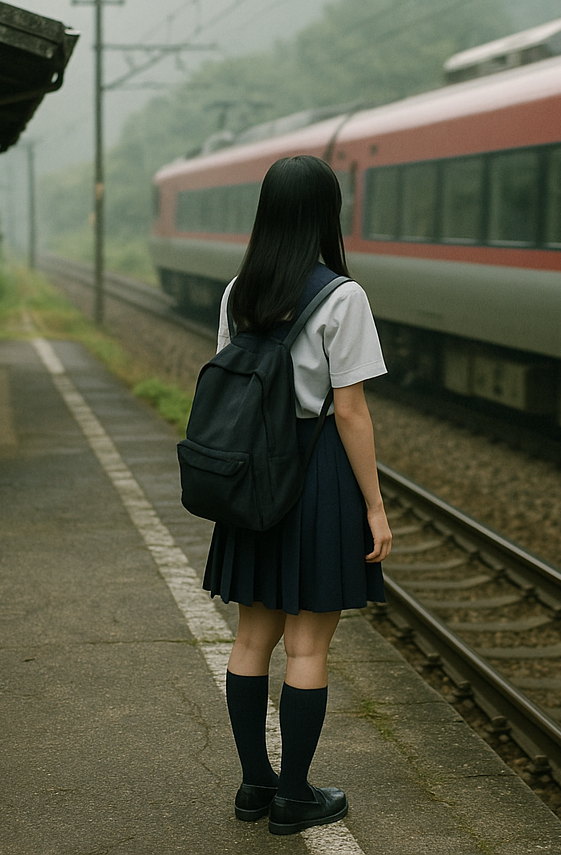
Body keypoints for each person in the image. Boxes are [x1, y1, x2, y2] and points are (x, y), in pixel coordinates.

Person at [202, 154, 393, 835]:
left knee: (252, 637)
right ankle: (295, 796)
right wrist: (373, 505)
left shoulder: (236, 293)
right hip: (315, 479)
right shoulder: (343, 297)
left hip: (253, 480)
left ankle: (254, 787)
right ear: (324, 215)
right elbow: (351, 413)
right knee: (308, 647)